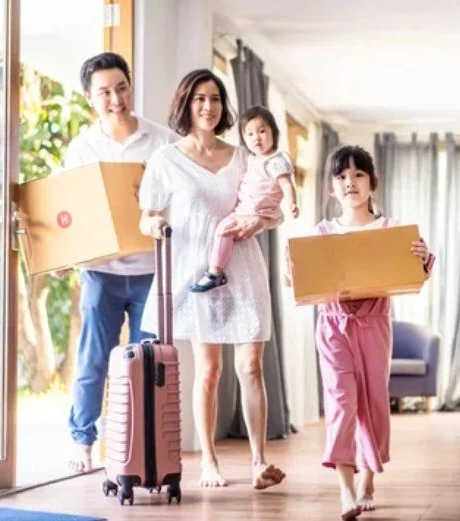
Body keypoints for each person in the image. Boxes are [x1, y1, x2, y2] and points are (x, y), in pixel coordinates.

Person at [137, 69, 286, 490]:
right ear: (186, 104)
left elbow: (272, 208)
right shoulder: (166, 159)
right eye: (200, 98)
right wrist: (154, 225)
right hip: (198, 273)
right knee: (209, 371)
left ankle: (259, 463)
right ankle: (208, 461)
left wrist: (258, 222)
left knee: (251, 366)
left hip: (243, 267)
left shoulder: (243, 156)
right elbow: (147, 215)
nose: (209, 106)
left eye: (216, 98)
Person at [287, 145, 434, 520]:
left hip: (374, 325)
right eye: (341, 177)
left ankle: (368, 478)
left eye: (358, 175)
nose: (349, 183)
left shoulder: (391, 230)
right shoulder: (321, 233)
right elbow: (298, 283)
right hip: (332, 326)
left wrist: (422, 260)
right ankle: (346, 491)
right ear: (330, 188)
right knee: (341, 403)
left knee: (373, 404)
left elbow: (414, 276)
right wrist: (293, 270)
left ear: (372, 183)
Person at [62, 52, 176, 473]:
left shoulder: (162, 141)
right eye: (105, 92)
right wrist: (65, 254)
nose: (116, 99)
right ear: (89, 98)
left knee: (147, 364)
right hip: (101, 273)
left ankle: (139, 445)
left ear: (131, 86)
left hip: (152, 272)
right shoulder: (82, 148)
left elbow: (178, 202)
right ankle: (82, 440)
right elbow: (70, 211)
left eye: (122, 88)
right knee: (93, 360)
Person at [189, 105, 299, 293]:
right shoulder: (251, 159)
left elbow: (286, 183)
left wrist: (292, 203)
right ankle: (217, 270)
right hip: (247, 209)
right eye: (250, 134)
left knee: (223, 229)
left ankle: (215, 273)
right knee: (227, 231)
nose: (256, 137)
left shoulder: (275, 160)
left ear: (274, 133)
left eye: (262, 131)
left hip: (258, 210)